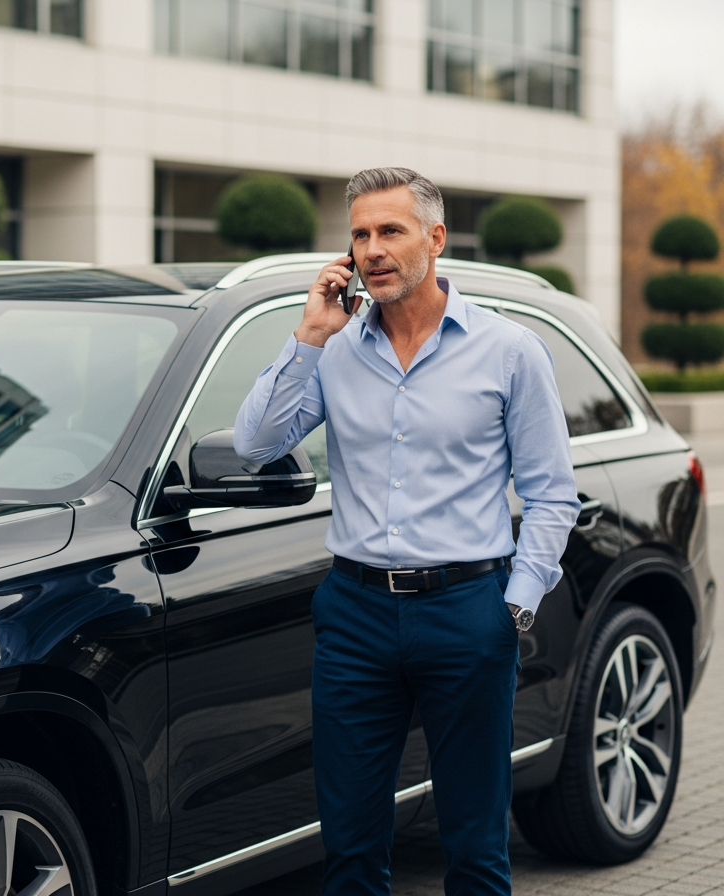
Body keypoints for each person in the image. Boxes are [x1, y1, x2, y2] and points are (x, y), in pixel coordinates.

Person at [234, 167, 580, 896]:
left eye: (389, 231)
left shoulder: (508, 351)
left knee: (476, 847)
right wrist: (309, 335)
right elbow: (255, 444)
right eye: (359, 235)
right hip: (355, 616)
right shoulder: (336, 351)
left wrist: (513, 608)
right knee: (352, 850)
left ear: (435, 238)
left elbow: (552, 495)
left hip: (468, 613)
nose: (372, 249)